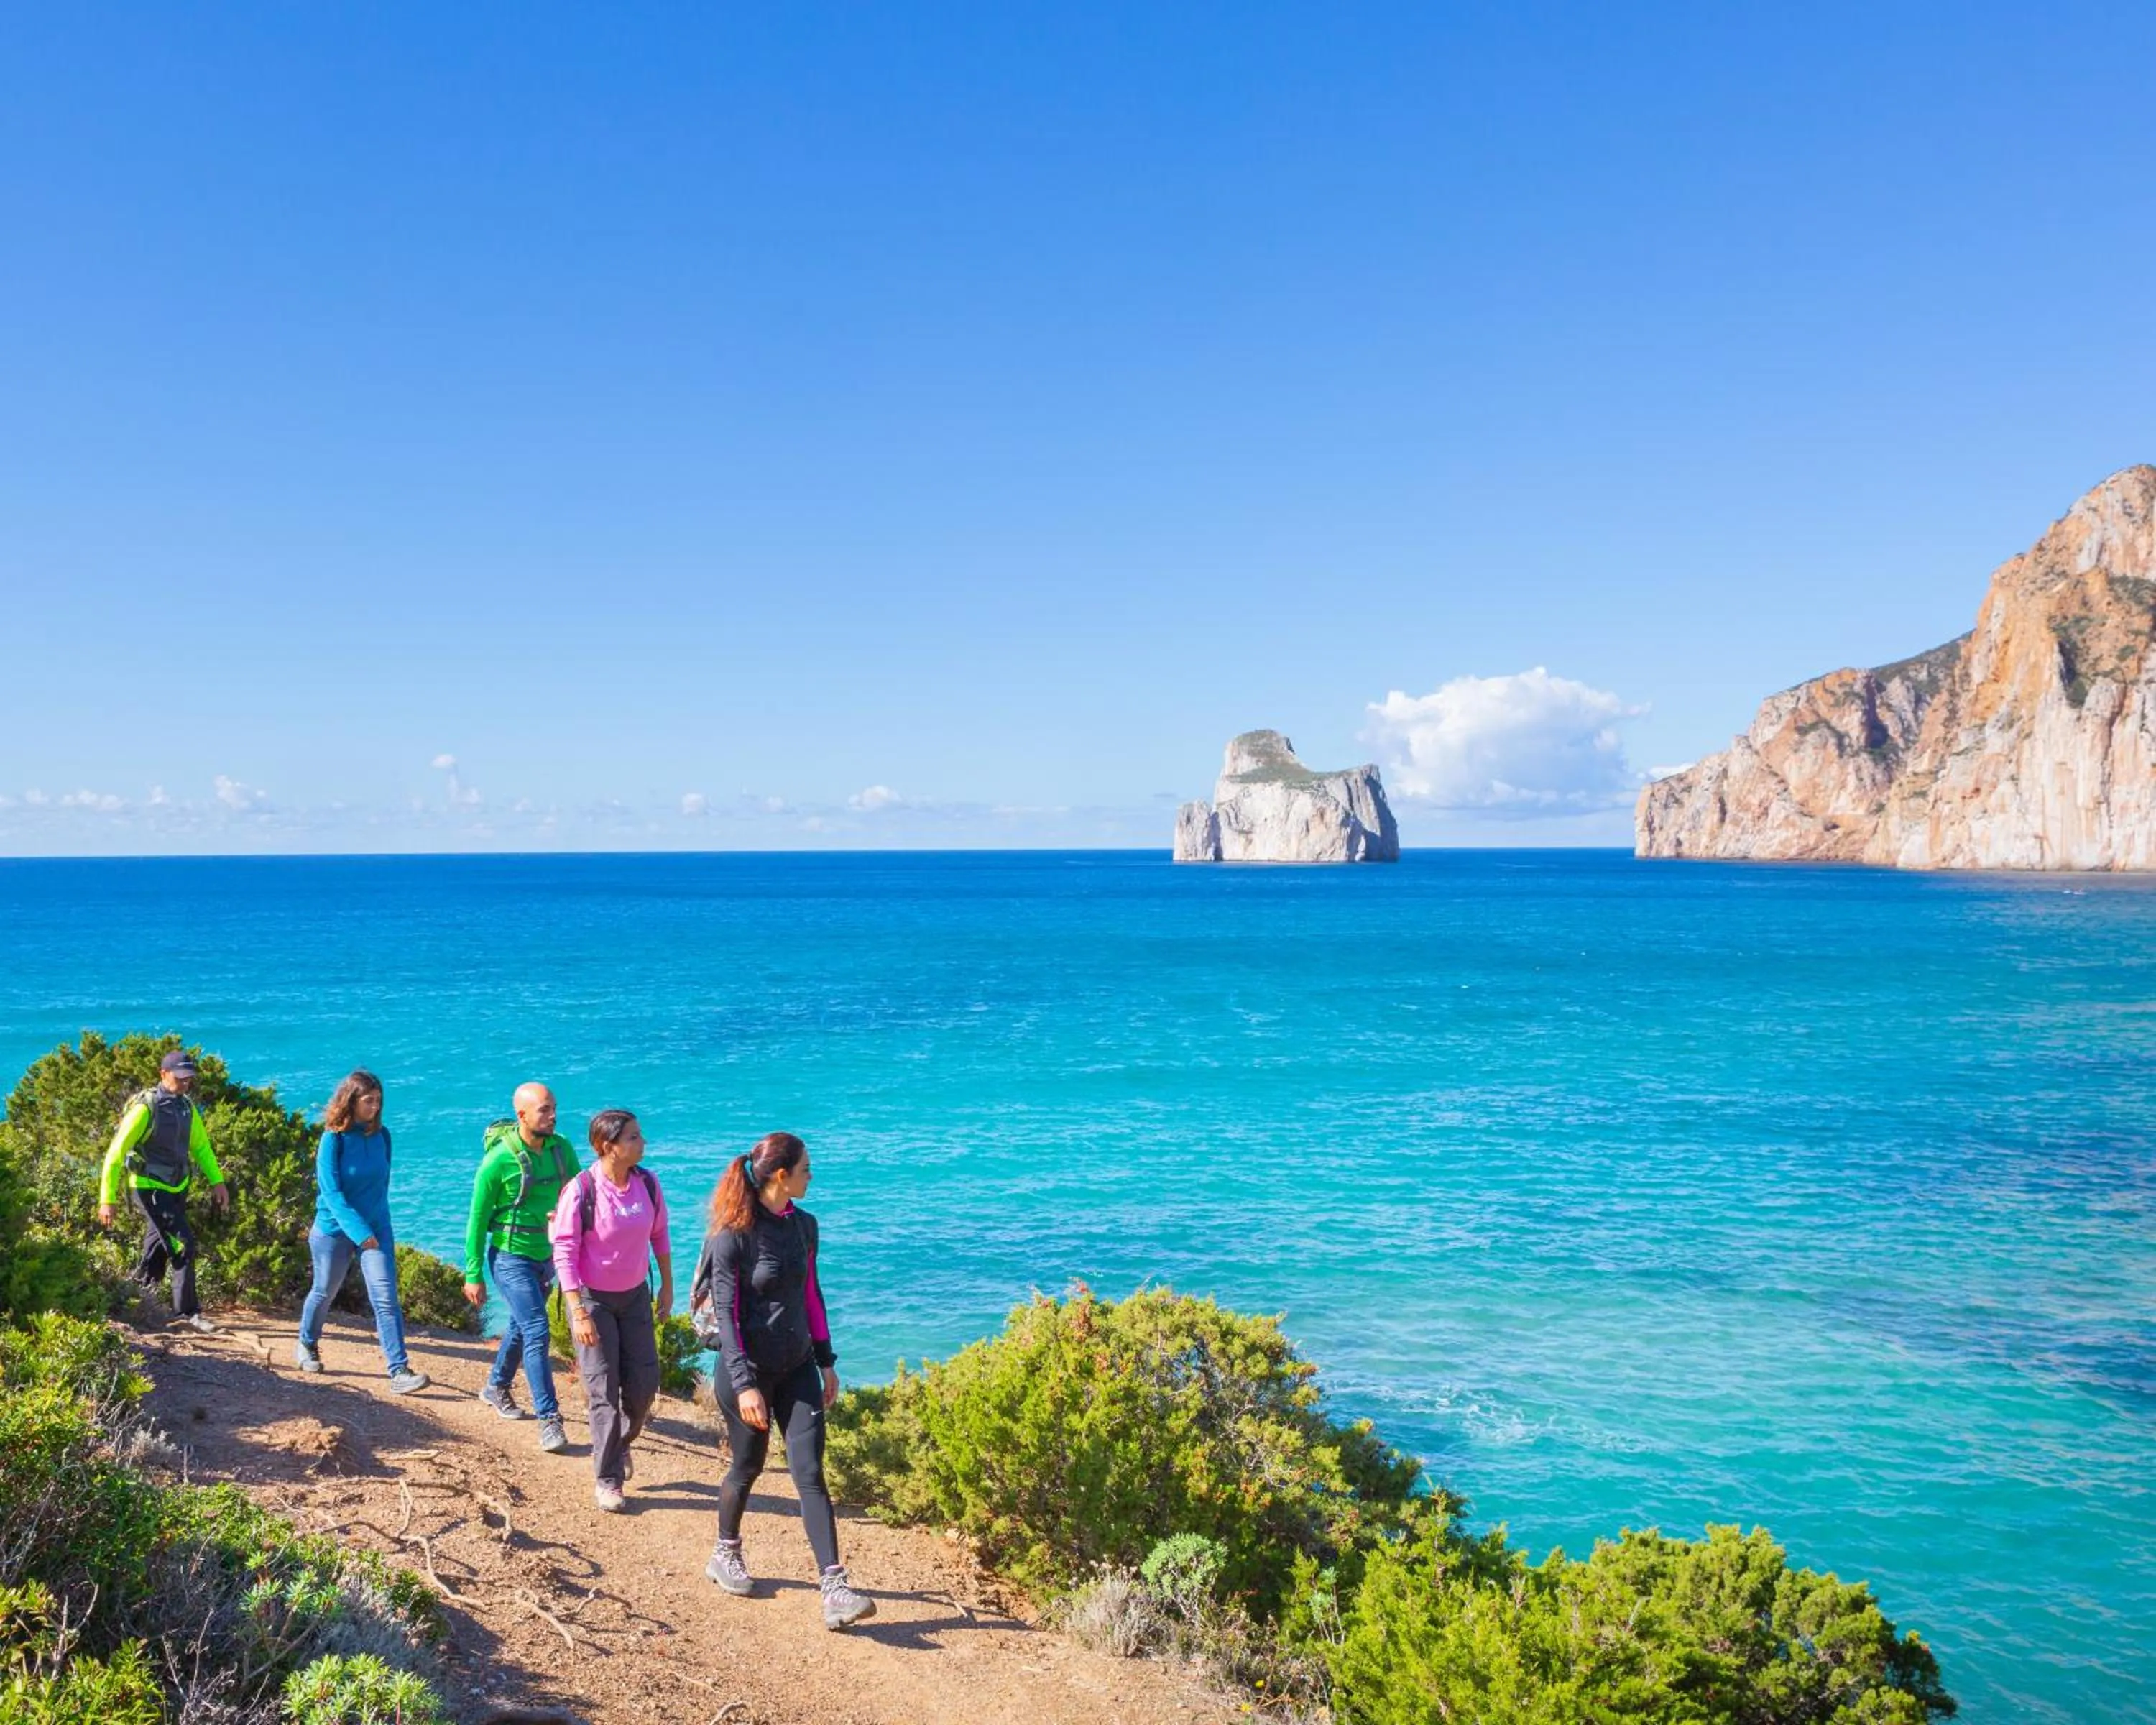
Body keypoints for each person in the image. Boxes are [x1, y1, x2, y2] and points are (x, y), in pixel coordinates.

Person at [689, 1131, 873, 1629]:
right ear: (780, 1175)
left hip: (796, 1369)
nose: (811, 1175)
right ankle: (725, 1552)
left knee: (810, 1473)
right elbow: (726, 1316)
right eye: (806, 1168)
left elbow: (812, 1295)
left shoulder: (805, 1227)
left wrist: (826, 1360)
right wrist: (745, 1383)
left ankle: (835, 1588)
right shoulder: (733, 1236)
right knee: (746, 1467)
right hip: (745, 1373)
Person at [550, 1109, 672, 1513]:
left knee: (643, 1385)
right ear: (609, 1146)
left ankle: (619, 1445)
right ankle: (608, 1479)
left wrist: (668, 1287)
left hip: (635, 1296)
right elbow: (564, 1251)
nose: (643, 1143)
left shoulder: (648, 1184)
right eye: (634, 1137)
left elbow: (660, 1236)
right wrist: (578, 1312)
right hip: (591, 1300)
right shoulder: (582, 1190)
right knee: (603, 1390)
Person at [295, 1070, 429, 1394]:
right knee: (325, 1290)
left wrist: (377, 1227)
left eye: (378, 1101)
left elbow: (382, 1185)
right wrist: (358, 1231)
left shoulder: (383, 1136)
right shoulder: (333, 1139)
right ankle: (307, 1343)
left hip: (377, 1227)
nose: (375, 1106)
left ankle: (399, 1371)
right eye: (368, 1101)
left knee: (386, 1298)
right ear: (351, 1101)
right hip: (334, 1229)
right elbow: (331, 1193)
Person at [463, 1082, 579, 1453]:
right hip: (511, 1257)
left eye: (554, 1107)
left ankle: (496, 1387)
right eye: (545, 1109)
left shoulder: (563, 1149)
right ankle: (550, 1420)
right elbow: (477, 1220)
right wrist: (473, 1272)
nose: (553, 1115)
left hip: (550, 1257)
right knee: (537, 1328)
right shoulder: (497, 1162)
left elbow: (580, 1195)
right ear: (522, 1115)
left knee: (519, 1325)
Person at [97, 1047, 231, 1332]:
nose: (185, 1083)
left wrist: (217, 1182)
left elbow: (201, 1147)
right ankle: (187, 1313)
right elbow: (115, 1154)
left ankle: (139, 1302)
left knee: (157, 1245)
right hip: (149, 1187)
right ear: (163, 1074)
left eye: (189, 1078)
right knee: (183, 1244)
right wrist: (107, 1199)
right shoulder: (146, 1108)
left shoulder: (186, 1107)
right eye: (180, 1078)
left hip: (177, 1187)